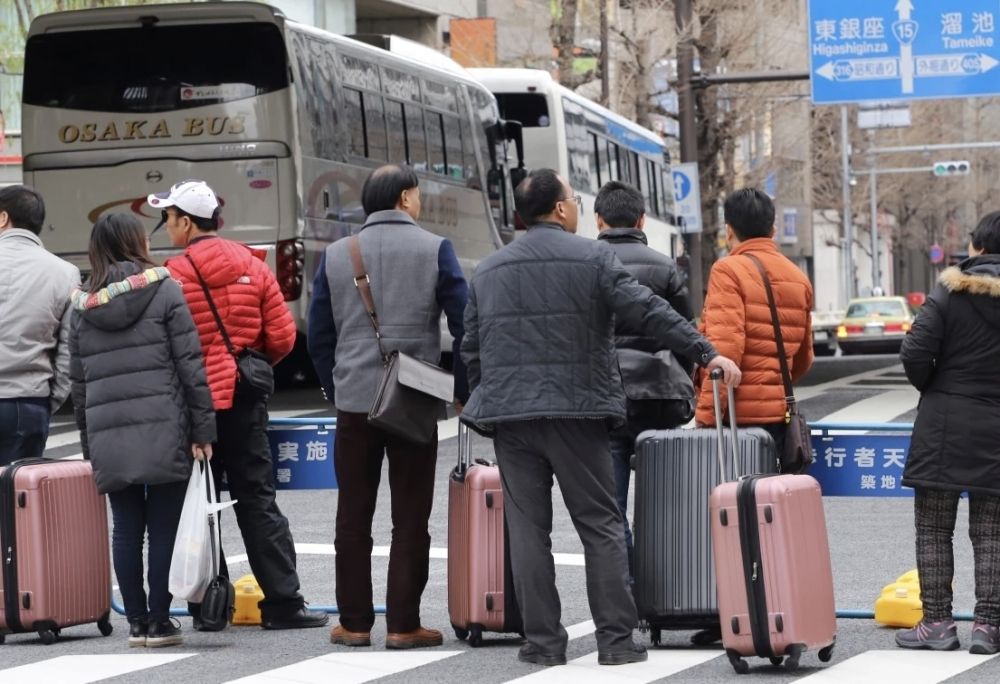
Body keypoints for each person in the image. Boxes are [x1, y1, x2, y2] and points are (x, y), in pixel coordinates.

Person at [460, 168, 741, 667]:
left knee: (528, 531)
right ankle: (615, 641)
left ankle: (543, 644)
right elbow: (649, 311)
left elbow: (471, 347)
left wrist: (486, 396)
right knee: (600, 525)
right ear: (562, 209)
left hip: (513, 419)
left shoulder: (489, 269)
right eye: (571, 198)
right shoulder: (592, 257)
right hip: (578, 412)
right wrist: (705, 352)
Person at [153, 179, 328, 631]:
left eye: (169, 219)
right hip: (244, 397)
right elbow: (285, 336)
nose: (166, 227)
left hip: (196, 406)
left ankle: (210, 607)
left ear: (186, 223)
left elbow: (166, 346)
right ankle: (285, 603)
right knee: (257, 497)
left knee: (200, 501)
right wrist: (246, 361)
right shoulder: (251, 264)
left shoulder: (174, 273)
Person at [307, 164, 468, 649]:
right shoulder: (435, 248)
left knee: (352, 516)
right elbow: (465, 323)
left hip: (355, 401)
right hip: (413, 399)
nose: (419, 202)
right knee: (411, 516)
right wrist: (459, 386)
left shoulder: (338, 255)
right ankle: (403, 624)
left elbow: (319, 334)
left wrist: (335, 389)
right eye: (417, 194)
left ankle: (354, 623)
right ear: (404, 198)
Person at [68, 213, 215, 648]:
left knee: (126, 528)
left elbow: (79, 385)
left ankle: (134, 622)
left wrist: (89, 441)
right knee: (165, 527)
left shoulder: (82, 306)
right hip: (166, 427)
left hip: (109, 431)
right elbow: (190, 366)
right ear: (137, 243)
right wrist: (202, 429)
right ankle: (160, 621)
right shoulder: (164, 289)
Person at [896, 211, 1000, 655]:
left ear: (976, 247)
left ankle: (936, 623)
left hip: (942, 422)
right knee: (992, 532)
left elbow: (914, 351)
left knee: (934, 528)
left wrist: (934, 388)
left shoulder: (948, 290)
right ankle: (989, 627)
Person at [594, 180, 695, 581]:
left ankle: (629, 593)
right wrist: (683, 380)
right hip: (660, 397)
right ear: (641, 220)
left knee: (611, 507)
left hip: (607, 397)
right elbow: (685, 332)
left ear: (599, 220)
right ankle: (667, 589)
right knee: (664, 503)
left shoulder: (588, 262)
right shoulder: (665, 266)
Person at [695, 187, 813, 454]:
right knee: (771, 494)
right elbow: (804, 358)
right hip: (779, 417)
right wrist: (771, 383)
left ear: (728, 231)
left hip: (738, 420)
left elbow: (725, 352)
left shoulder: (727, 270)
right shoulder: (798, 277)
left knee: (734, 495)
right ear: (773, 230)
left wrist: (706, 418)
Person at [0, 186, 80, 465]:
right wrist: (49, 401)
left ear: (3, 218)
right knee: (20, 502)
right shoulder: (65, 273)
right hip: (28, 401)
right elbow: (69, 350)